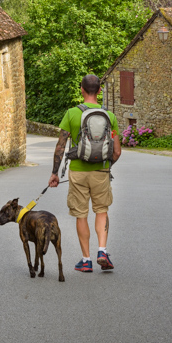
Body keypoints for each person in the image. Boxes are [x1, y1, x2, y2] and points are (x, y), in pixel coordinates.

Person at [48, 74, 122, 273]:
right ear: (99, 91)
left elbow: (60, 146)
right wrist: (107, 166)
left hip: (78, 172)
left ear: (81, 89)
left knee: (81, 214)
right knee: (101, 210)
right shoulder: (110, 116)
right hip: (101, 171)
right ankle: (102, 251)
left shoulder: (72, 113)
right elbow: (116, 151)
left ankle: (86, 260)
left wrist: (55, 173)